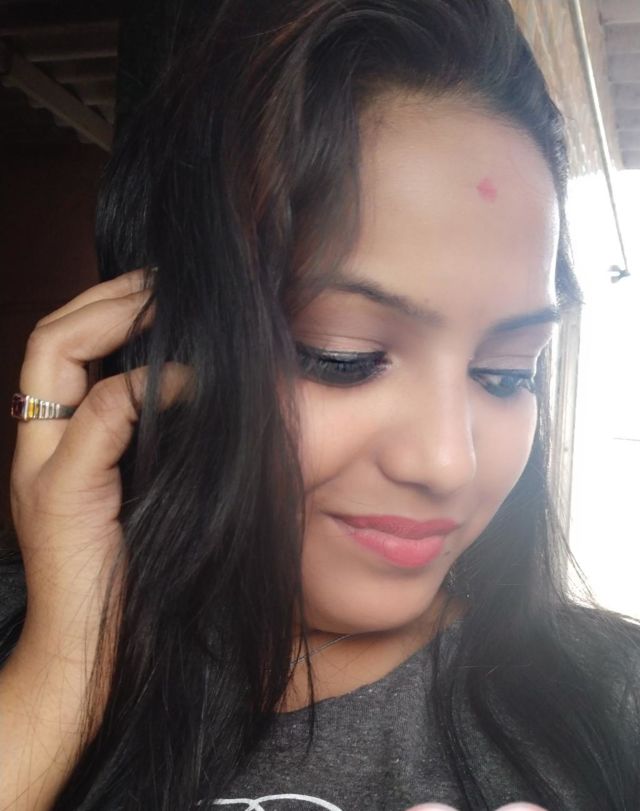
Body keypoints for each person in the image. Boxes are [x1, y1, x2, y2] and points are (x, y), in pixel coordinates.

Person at [1, 0, 639, 809]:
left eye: (506, 374)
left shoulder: (615, 703)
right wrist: (64, 664)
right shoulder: (26, 631)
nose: (448, 463)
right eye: (342, 356)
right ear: (166, 335)